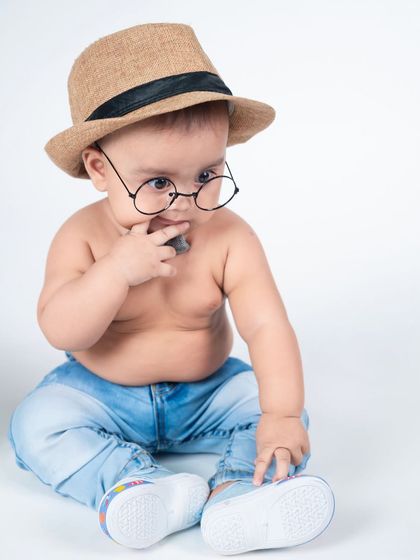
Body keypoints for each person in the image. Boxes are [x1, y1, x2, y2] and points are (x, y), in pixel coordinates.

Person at [7, 22, 335, 555]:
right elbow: (60, 328)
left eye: (207, 174)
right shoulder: (82, 237)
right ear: (99, 169)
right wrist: (115, 271)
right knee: (37, 424)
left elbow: (266, 325)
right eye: (159, 182)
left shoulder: (229, 237)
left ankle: (240, 491)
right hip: (101, 395)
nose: (185, 201)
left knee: (276, 405)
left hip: (207, 392)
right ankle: (138, 484)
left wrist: (278, 416)